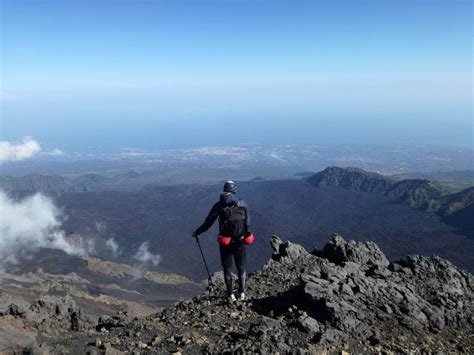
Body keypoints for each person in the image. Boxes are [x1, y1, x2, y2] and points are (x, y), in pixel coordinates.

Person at [192, 180, 251, 302]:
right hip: (240, 240)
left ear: (224, 190)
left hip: (225, 242)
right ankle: (242, 293)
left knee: (227, 268)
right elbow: (248, 223)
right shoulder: (242, 203)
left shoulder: (219, 205)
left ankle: (230, 295)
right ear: (234, 190)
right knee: (241, 267)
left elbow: (208, 223)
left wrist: (197, 232)